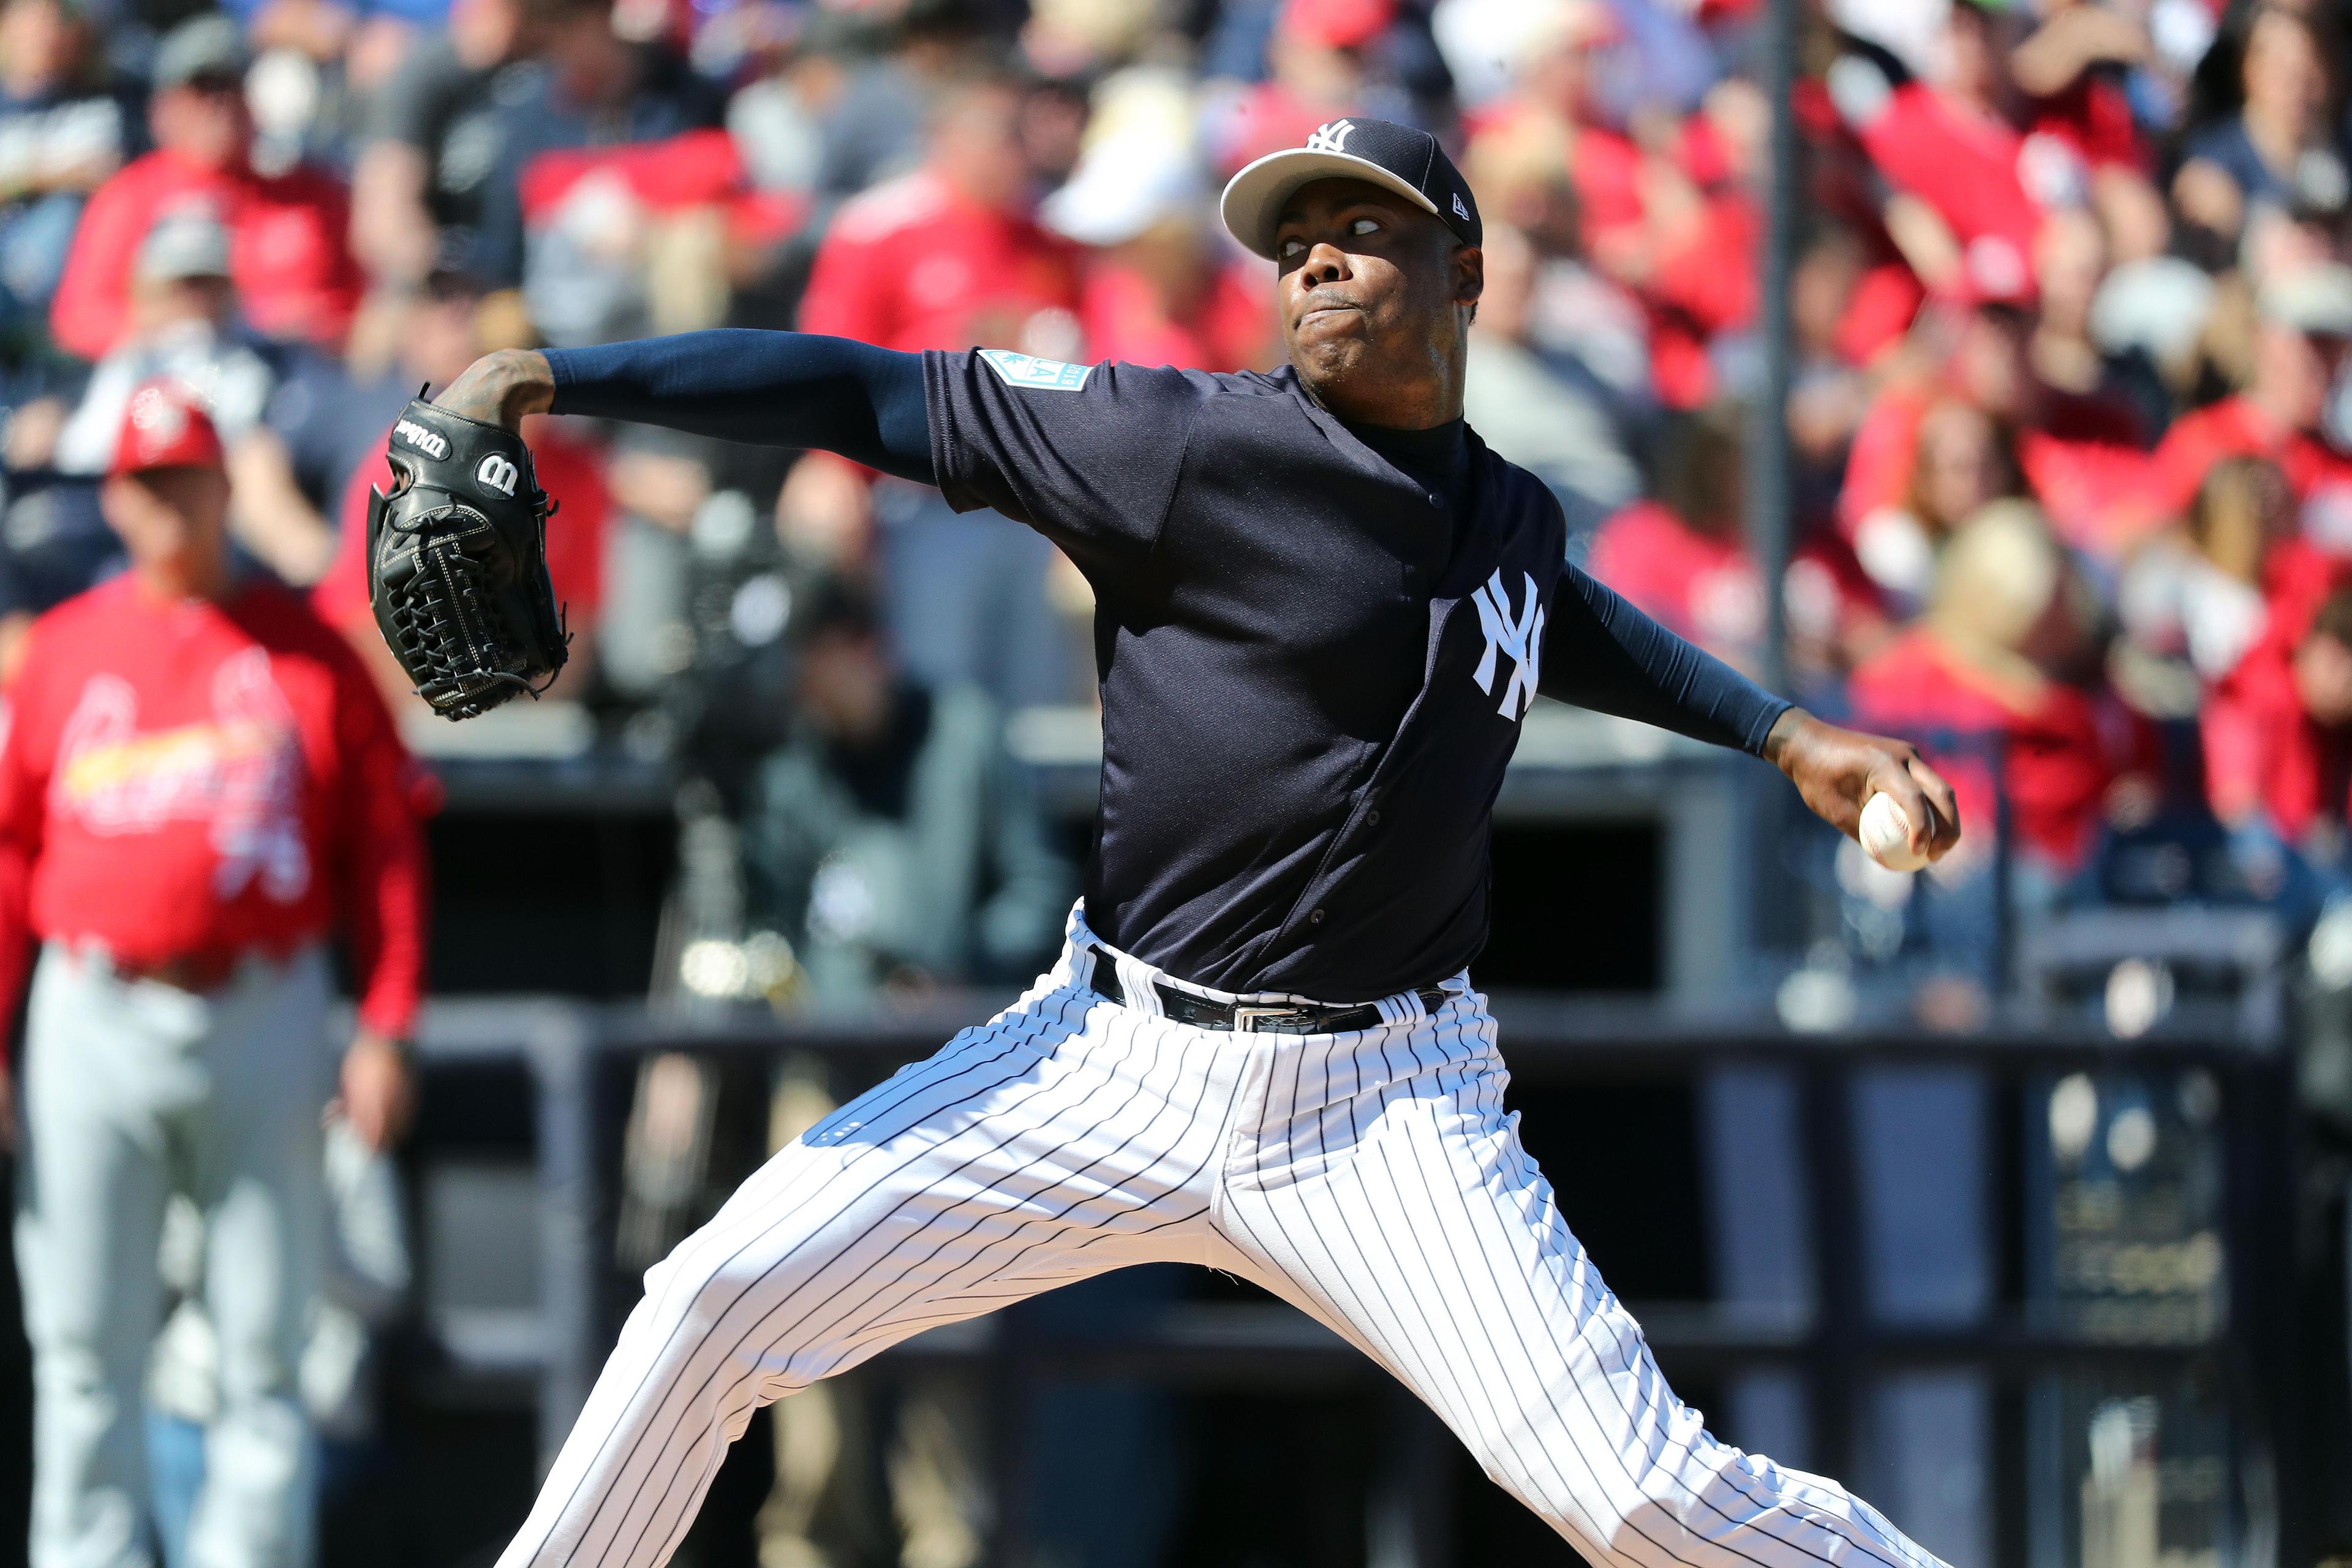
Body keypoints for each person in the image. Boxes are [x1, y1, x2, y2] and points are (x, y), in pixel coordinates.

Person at [427, 117, 1962, 1568]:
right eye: (1293, 240)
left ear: (1467, 277)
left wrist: (1777, 730)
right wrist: (557, 372)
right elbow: (864, 390)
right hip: (1109, 1062)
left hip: (1390, 1107)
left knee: (1636, 1492)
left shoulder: (1507, 514)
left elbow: (1545, 613)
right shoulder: (1176, 446)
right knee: (712, 1298)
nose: (1315, 260)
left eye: (1363, 230)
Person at [0, 381, 429, 1568]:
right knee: (84, 1344)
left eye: (184, 475)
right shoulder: (65, 649)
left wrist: (384, 1021)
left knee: (263, 1344)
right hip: (90, 1005)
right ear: (116, 498)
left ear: (223, 483)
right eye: (142, 482)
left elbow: (386, 845)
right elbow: (12, 852)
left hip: (265, 999)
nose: (166, 500)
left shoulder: (309, 652)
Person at [47, 14, 364, 361]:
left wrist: (310, 325)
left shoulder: (314, 195)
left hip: (310, 383)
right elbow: (77, 321)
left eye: (233, 86)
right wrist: (180, 321)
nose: (221, 105)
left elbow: (367, 311)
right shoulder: (132, 196)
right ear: (163, 107)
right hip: (175, 383)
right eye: (204, 88)